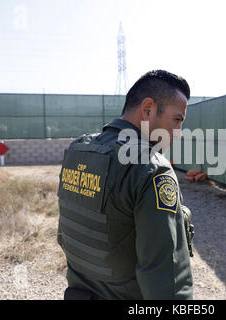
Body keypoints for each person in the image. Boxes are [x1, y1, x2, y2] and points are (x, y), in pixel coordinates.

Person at [57, 70, 194, 300]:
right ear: (148, 109)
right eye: (177, 120)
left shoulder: (78, 150)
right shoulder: (151, 168)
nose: (177, 133)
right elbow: (164, 277)